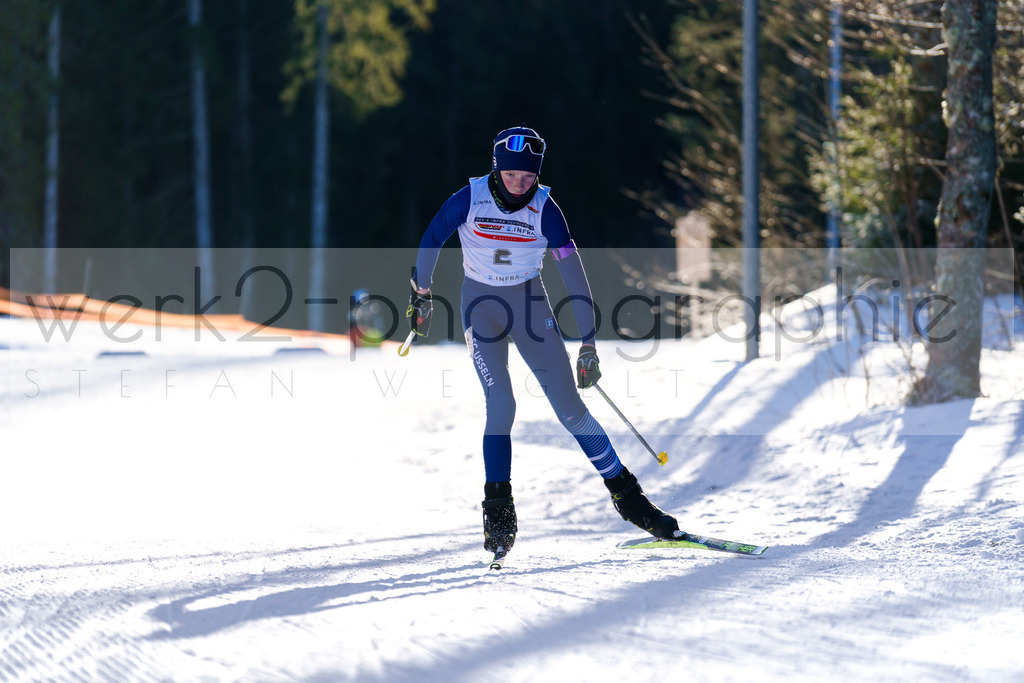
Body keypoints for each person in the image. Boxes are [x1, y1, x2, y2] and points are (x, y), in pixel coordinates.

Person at [407, 126, 681, 559]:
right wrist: (421, 294)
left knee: (572, 409)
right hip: (481, 307)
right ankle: (498, 508)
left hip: (530, 304)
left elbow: (574, 276)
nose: (521, 183)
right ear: (497, 168)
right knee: (502, 403)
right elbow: (431, 239)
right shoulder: (469, 198)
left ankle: (630, 499)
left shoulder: (545, 209)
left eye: (529, 177)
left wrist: (588, 344)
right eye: (513, 174)